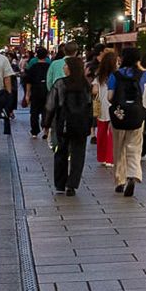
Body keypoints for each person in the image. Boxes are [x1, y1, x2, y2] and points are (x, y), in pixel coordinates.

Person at [49, 55, 95, 196]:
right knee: (78, 154)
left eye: (66, 65)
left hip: (64, 124)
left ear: (70, 68)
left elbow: (51, 105)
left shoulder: (60, 84)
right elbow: (89, 105)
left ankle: (60, 184)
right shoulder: (86, 85)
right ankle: (72, 184)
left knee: (61, 152)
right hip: (81, 124)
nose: (64, 67)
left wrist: (46, 122)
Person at [106, 47, 146, 197]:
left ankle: (120, 180)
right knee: (135, 147)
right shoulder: (143, 74)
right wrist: (139, 66)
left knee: (119, 148)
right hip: (137, 114)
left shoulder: (115, 75)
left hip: (120, 114)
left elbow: (109, 97)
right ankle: (133, 174)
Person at [93, 49, 118, 165]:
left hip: (101, 106)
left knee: (101, 133)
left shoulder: (99, 75)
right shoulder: (116, 75)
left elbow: (94, 90)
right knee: (112, 133)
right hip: (113, 105)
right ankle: (110, 159)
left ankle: (102, 157)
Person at [23, 47, 51, 138]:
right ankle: (46, 130)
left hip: (36, 91)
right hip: (47, 91)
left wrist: (27, 94)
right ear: (46, 55)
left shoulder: (33, 67)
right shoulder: (49, 67)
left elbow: (29, 82)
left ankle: (34, 131)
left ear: (36, 55)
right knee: (46, 111)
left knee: (34, 112)